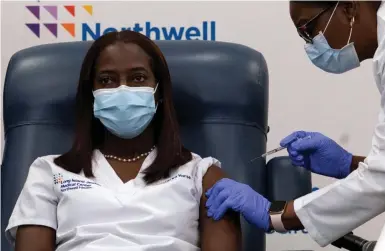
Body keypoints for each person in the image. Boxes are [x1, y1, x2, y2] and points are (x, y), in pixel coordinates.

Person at [206, 0, 385, 247]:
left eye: (307, 29)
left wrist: (275, 214)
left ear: (349, 9)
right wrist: (349, 164)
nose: (310, 45)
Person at [5, 30, 241, 251]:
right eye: (107, 81)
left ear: (158, 92)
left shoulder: (203, 175)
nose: (122, 90)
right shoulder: (48, 172)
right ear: (92, 94)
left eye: (138, 78)